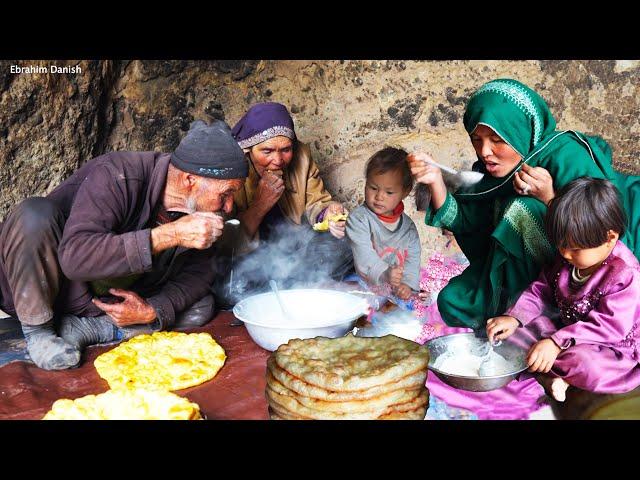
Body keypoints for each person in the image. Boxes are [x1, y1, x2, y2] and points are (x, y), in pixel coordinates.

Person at [0, 120, 247, 370]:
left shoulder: (205, 208)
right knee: (34, 213)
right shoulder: (119, 174)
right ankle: (39, 332)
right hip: (62, 288)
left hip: (119, 299)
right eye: (225, 194)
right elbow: (75, 259)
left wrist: (152, 310)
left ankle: (93, 328)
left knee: (202, 306)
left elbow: (200, 272)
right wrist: (169, 235)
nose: (228, 207)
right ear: (190, 180)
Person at [409, 78, 640, 329]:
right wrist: (435, 181)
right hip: (523, 271)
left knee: (522, 210)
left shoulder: (567, 158)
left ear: (520, 131)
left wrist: (549, 198)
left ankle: (544, 316)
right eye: (477, 139)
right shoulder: (492, 173)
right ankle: (516, 312)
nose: (485, 151)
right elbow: (468, 220)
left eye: (497, 139)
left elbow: (602, 236)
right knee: (453, 300)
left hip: (575, 274)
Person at [486, 178, 640, 401]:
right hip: (568, 332)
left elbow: (607, 328)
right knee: (515, 337)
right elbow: (541, 289)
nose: (566, 254)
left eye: (575, 248)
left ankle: (549, 373)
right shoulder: (567, 258)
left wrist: (557, 342)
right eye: (561, 245)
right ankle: (548, 377)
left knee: (586, 365)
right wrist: (515, 318)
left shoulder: (625, 275)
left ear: (610, 238)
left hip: (610, 347)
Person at [215, 102, 353, 302]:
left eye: (285, 150)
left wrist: (328, 214)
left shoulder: (301, 157)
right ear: (248, 151)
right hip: (250, 257)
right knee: (229, 282)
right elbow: (227, 244)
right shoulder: (232, 170)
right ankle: (298, 285)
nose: (278, 160)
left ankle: (289, 285)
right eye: (267, 151)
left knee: (345, 243)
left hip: (295, 251)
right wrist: (261, 204)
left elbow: (318, 200)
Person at [346, 147, 421, 301]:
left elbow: (412, 260)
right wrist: (386, 273)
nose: (379, 196)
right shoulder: (359, 220)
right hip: (366, 286)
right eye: (373, 188)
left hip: (393, 291)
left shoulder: (408, 228)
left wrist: (407, 285)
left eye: (389, 192)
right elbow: (364, 256)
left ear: (405, 192)